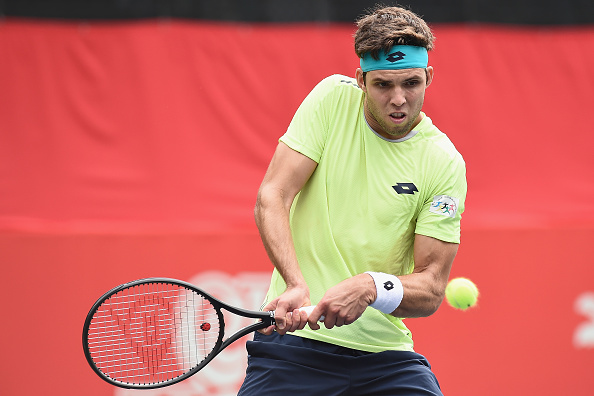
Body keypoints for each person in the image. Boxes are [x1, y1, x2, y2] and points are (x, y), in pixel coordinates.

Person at [238, 5, 467, 396]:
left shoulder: (444, 162)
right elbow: (273, 194)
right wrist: (296, 283)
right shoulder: (330, 99)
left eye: (411, 83)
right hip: (293, 353)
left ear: (428, 76)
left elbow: (430, 288)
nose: (398, 99)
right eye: (382, 85)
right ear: (361, 79)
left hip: (387, 361)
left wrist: (372, 287)